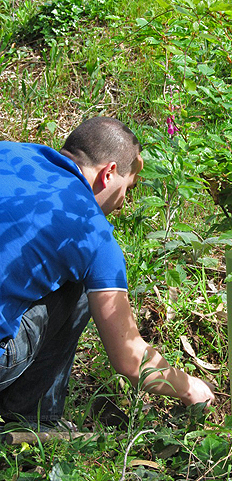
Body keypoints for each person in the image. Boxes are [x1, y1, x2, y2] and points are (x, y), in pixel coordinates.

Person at [0, 116, 214, 428]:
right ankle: (32, 421)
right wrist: (189, 387)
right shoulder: (92, 232)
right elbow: (130, 359)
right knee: (81, 288)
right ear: (109, 173)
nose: (123, 203)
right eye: (128, 187)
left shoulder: (10, 153)